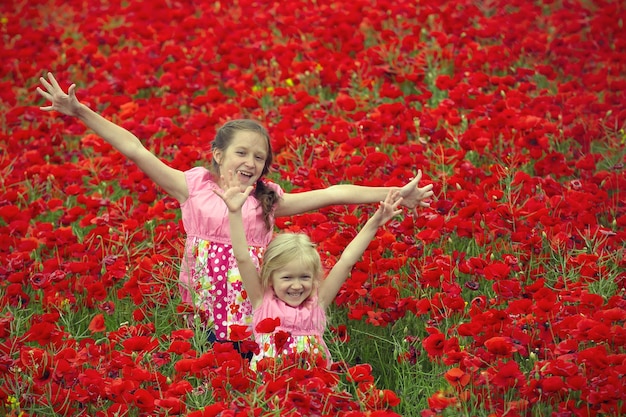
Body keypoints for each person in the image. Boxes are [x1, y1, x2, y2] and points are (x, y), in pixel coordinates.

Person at [36, 72, 434, 350]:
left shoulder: (268, 198)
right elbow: (135, 148)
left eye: (259, 157)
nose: (251, 161)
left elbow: (333, 192)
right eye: (241, 152)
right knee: (209, 364)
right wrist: (81, 112)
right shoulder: (190, 186)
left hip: (254, 307)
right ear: (218, 155)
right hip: (205, 305)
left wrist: (396, 192)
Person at [216, 172, 403, 369]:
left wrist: (374, 222)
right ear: (270, 278)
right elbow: (242, 258)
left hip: (313, 395)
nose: (297, 285)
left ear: (314, 278)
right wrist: (235, 213)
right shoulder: (262, 302)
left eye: (305, 277)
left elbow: (346, 262)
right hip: (271, 395)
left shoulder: (317, 303)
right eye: (287, 277)